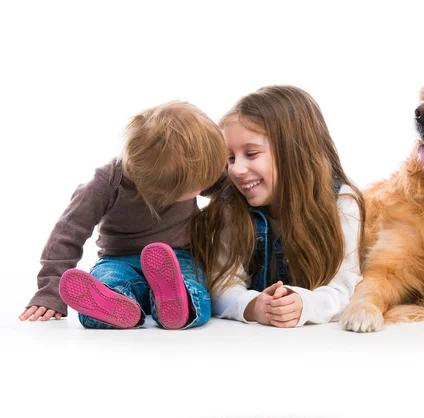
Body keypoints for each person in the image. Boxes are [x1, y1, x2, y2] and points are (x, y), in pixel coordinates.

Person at [19, 101, 227, 329]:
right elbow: (69, 231)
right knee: (108, 282)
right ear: (164, 190)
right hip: (118, 260)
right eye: (200, 185)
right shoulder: (107, 183)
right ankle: (119, 304)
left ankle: (177, 300)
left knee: (191, 283)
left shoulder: (189, 171)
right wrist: (51, 289)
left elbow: (228, 186)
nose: (209, 185)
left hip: (176, 260)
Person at [190, 85, 365, 327]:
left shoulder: (341, 202)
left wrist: (305, 304)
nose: (236, 170)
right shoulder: (231, 204)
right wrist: (252, 306)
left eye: (251, 154)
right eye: (230, 158)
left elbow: (345, 287)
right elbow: (223, 282)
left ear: (294, 153)